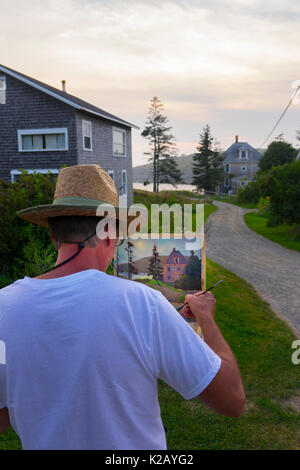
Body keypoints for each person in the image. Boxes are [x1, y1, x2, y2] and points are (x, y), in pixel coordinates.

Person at [0, 164, 245, 450]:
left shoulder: (4, 306)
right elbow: (232, 399)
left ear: (53, 236)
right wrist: (206, 318)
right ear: (110, 234)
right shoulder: (143, 304)